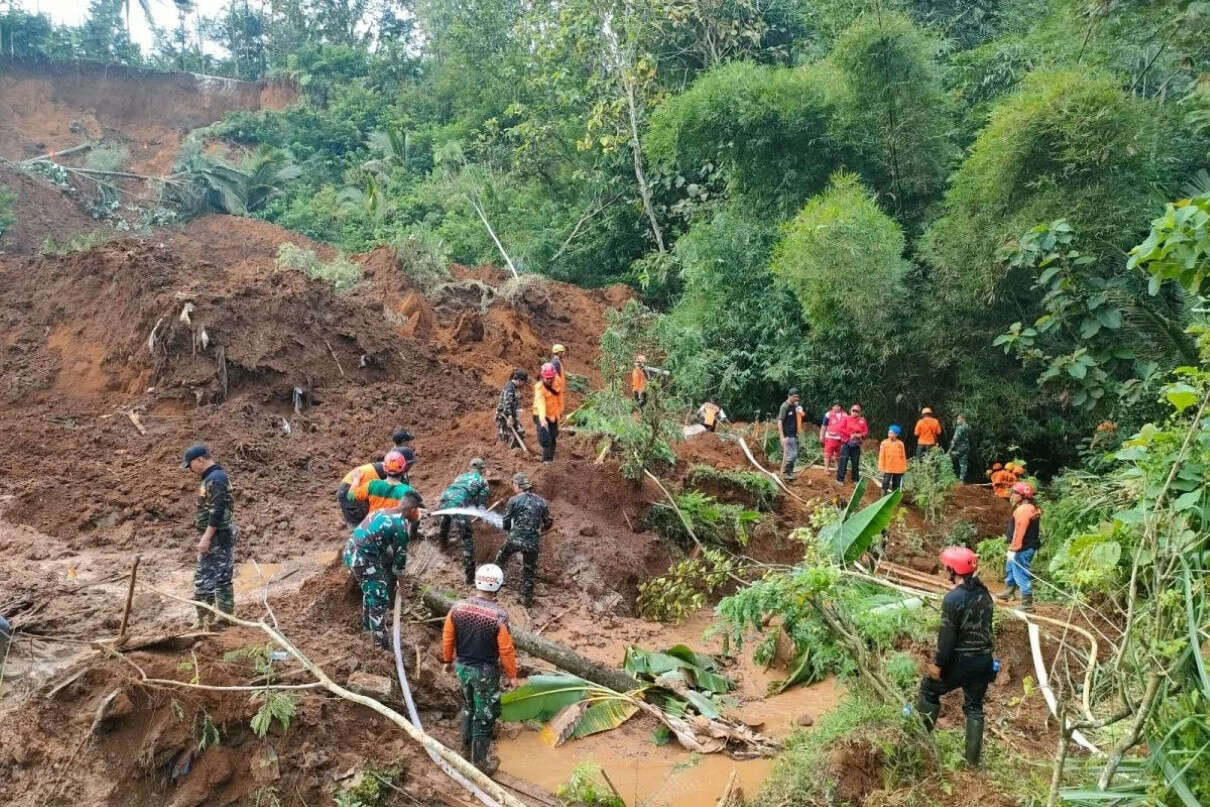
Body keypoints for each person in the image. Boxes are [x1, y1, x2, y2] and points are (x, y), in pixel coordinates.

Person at [917, 546, 996, 767]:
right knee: (974, 707)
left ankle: (918, 743)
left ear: (953, 570)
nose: (945, 571)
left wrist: (938, 665)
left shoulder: (952, 599)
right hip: (984, 661)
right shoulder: (984, 593)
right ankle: (972, 763)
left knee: (929, 690)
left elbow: (947, 638)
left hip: (962, 661)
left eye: (946, 568)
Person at [442, 564, 519, 773]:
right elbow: (506, 649)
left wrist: (447, 660)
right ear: (498, 587)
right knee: (484, 715)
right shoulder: (499, 616)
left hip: (463, 668)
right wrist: (512, 676)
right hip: (485, 672)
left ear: (477, 582)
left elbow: (448, 636)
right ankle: (481, 764)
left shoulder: (457, 608)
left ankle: (465, 752)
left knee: (469, 707)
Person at [343, 493, 423, 649]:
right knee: (379, 598)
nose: (418, 514)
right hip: (362, 560)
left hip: (350, 551)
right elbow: (399, 564)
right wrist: (401, 585)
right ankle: (381, 646)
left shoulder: (381, 511)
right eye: (418, 510)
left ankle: (367, 627)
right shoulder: (400, 527)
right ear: (413, 510)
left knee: (371, 590)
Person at [182, 444, 238, 627]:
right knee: (222, 578)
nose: (190, 470)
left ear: (200, 460)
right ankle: (226, 618)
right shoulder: (215, 476)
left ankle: (205, 622)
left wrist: (206, 538)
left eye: (190, 465)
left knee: (203, 579)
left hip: (216, 536)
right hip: (222, 534)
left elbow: (217, 510)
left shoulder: (215, 479)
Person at [494, 473, 552, 606]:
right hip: (532, 542)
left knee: (500, 561)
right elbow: (548, 522)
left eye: (514, 485)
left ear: (517, 486)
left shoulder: (513, 500)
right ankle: (527, 600)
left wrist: (511, 530)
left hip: (514, 539)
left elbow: (506, 522)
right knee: (529, 570)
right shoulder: (541, 501)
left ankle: (492, 589)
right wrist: (539, 531)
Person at [439, 458, 491, 584]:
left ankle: (442, 546)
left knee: (445, 523)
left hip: (445, 498)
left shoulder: (460, 477)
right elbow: (481, 503)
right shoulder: (483, 481)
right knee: (467, 537)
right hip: (459, 504)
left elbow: (457, 490)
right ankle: (470, 576)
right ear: (482, 469)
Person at [1000, 481, 1042, 611]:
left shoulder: (1023, 510)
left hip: (1022, 548)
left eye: (1014, 493)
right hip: (1023, 546)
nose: (1011, 496)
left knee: (1021, 574)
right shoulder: (1029, 507)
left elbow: (1020, 530)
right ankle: (1008, 592)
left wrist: (1014, 548)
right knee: (1011, 569)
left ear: (1023, 496)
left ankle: (1027, 604)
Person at [348, 450, 416, 515]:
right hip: (395, 526)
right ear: (403, 470)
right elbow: (414, 516)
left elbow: (351, 496)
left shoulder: (372, 485)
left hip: (375, 525)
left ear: (384, 469)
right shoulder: (409, 491)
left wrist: (356, 479)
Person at [337, 458, 385, 528]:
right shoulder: (393, 471)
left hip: (352, 487)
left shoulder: (389, 466)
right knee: (360, 526)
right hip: (350, 488)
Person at [533, 363, 563, 464]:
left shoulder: (557, 381)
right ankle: (546, 460)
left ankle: (551, 458)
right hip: (540, 414)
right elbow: (541, 404)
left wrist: (560, 411)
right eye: (547, 378)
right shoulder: (539, 388)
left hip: (553, 414)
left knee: (553, 435)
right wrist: (542, 419)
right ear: (542, 376)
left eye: (551, 378)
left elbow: (560, 396)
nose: (549, 380)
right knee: (545, 437)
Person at [836, 404, 869, 484]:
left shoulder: (862, 420)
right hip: (847, 443)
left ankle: (855, 479)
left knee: (855, 462)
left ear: (860, 412)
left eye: (857, 411)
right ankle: (840, 479)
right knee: (843, 460)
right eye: (853, 411)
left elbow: (866, 432)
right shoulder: (846, 418)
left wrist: (859, 435)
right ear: (850, 411)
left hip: (856, 444)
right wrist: (850, 434)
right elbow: (840, 429)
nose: (855, 412)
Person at [496, 369, 528, 448]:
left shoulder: (514, 387)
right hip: (504, 416)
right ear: (520, 380)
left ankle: (517, 451)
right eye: (523, 382)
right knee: (506, 436)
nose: (523, 384)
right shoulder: (509, 388)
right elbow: (507, 404)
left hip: (511, 416)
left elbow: (513, 403)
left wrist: (517, 411)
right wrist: (509, 417)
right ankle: (508, 454)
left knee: (520, 431)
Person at [777, 388, 803, 480]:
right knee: (793, 454)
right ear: (789, 396)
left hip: (794, 434)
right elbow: (780, 422)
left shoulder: (794, 406)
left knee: (794, 454)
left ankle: (789, 473)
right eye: (795, 397)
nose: (797, 399)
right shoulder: (784, 406)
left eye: (797, 397)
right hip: (787, 435)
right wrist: (782, 437)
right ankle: (785, 472)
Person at [878, 425, 908, 492]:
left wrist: (904, 468)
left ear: (896, 434)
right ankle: (882, 498)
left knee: (896, 484)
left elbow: (903, 456)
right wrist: (880, 467)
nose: (889, 434)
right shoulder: (884, 443)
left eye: (891, 433)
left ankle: (893, 498)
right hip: (887, 467)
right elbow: (881, 456)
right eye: (889, 433)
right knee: (885, 483)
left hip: (898, 468)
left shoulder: (900, 444)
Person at [819, 403, 846, 475]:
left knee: (838, 454)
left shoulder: (845, 415)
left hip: (840, 438)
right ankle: (826, 469)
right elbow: (824, 426)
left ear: (841, 407)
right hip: (830, 437)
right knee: (828, 454)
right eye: (835, 405)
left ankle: (837, 468)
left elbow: (847, 427)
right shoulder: (828, 414)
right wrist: (821, 436)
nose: (837, 407)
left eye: (838, 406)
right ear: (832, 406)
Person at [949, 415, 972, 481]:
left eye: (958, 419)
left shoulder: (960, 428)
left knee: (949, 457)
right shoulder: (968, 426)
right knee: (963, 463)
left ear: (963, 419)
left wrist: (950, 450)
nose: (957, 421)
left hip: (960, 448)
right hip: (966, 448)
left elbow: (955, 439)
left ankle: (950, 476)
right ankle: (962, 479)